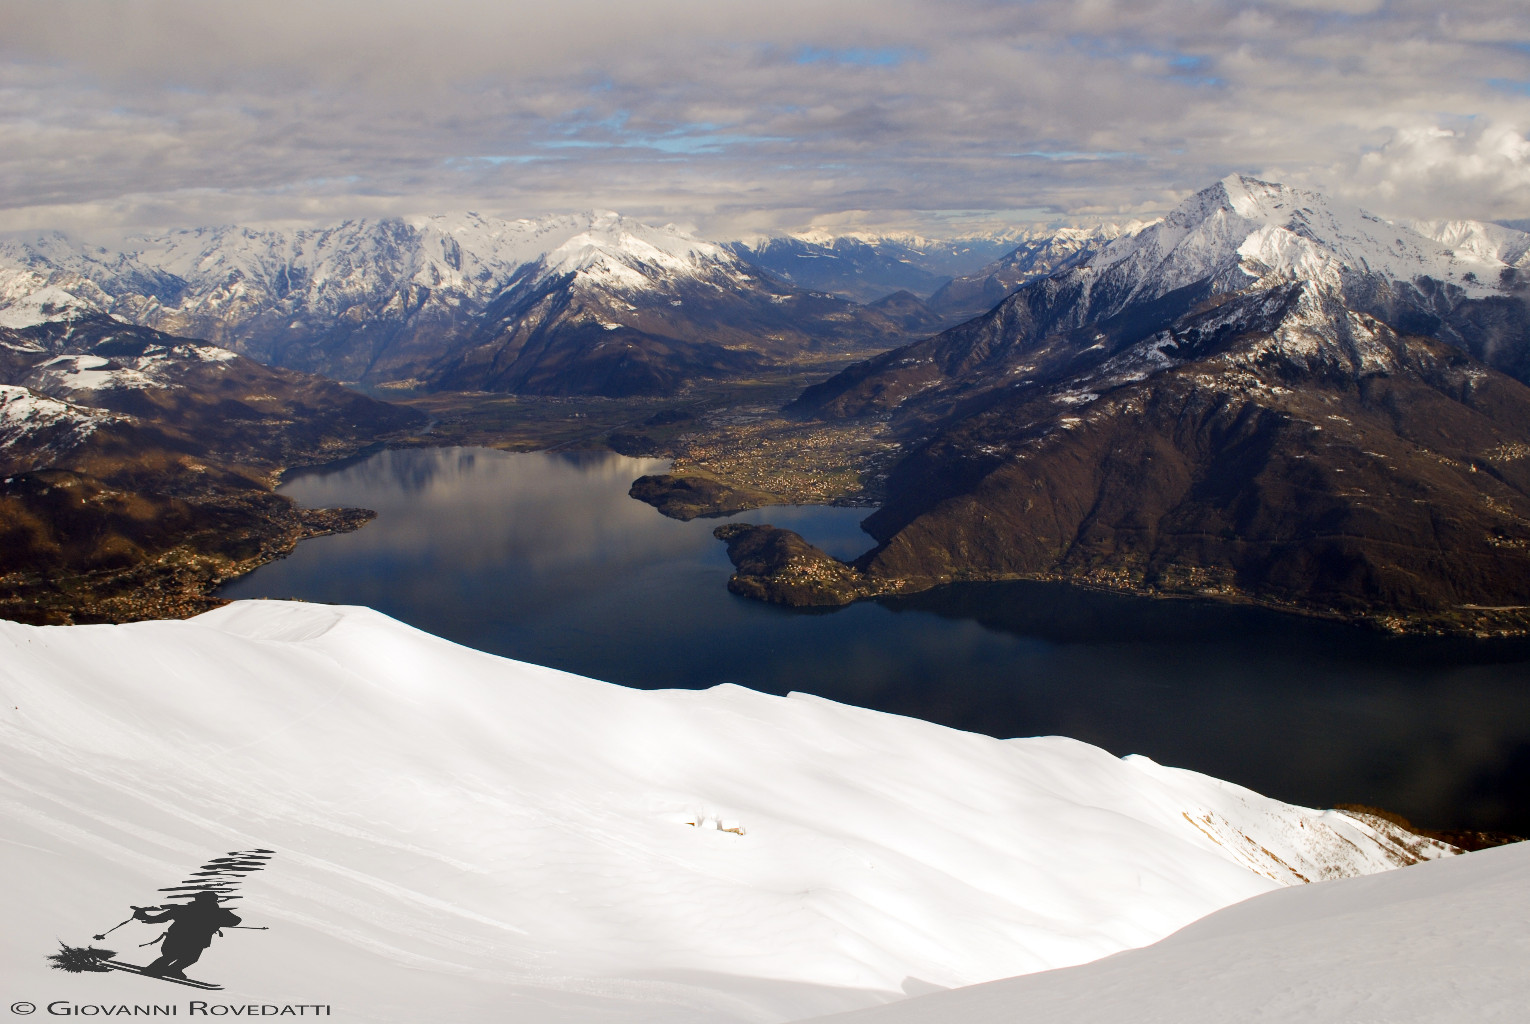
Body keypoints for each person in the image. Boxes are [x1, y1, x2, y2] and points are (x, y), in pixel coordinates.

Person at [133, 891, 241, 978]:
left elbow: (157, 919)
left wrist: (143, 916)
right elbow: (235, 921)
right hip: (182, 941)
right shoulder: (216, 913)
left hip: (187, 942)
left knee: (187, 958)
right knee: (174, 956)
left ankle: (171, 970)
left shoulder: (184, 909)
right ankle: (156, 969)